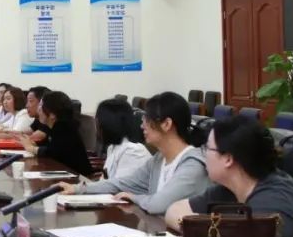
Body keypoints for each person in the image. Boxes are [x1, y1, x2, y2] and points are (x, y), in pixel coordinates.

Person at [67, 91, 210, 215]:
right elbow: (122, 183)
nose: (142, 126)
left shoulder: (192, 165)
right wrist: (77, 189)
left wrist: (133, 197)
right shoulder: (159, 159)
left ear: (167, 124)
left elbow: (158, 205)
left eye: (147, 120)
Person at [58, 99, 150, 192]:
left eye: (97, 121)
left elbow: (118, 188)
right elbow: (106, 182)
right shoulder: (113, 148)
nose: (96, 126)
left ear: (107, 124)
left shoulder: (133, 151)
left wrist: (79, 189)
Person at [17, 90, 93, 176]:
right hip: (61, 173)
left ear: (52, 114)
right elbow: (49, 147)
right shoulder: (53, 127)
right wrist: (33, 144)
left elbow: (52, 152)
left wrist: (30, 148)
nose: (38, 109)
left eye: (41, 106)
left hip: (76, 178)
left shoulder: (64, 129)